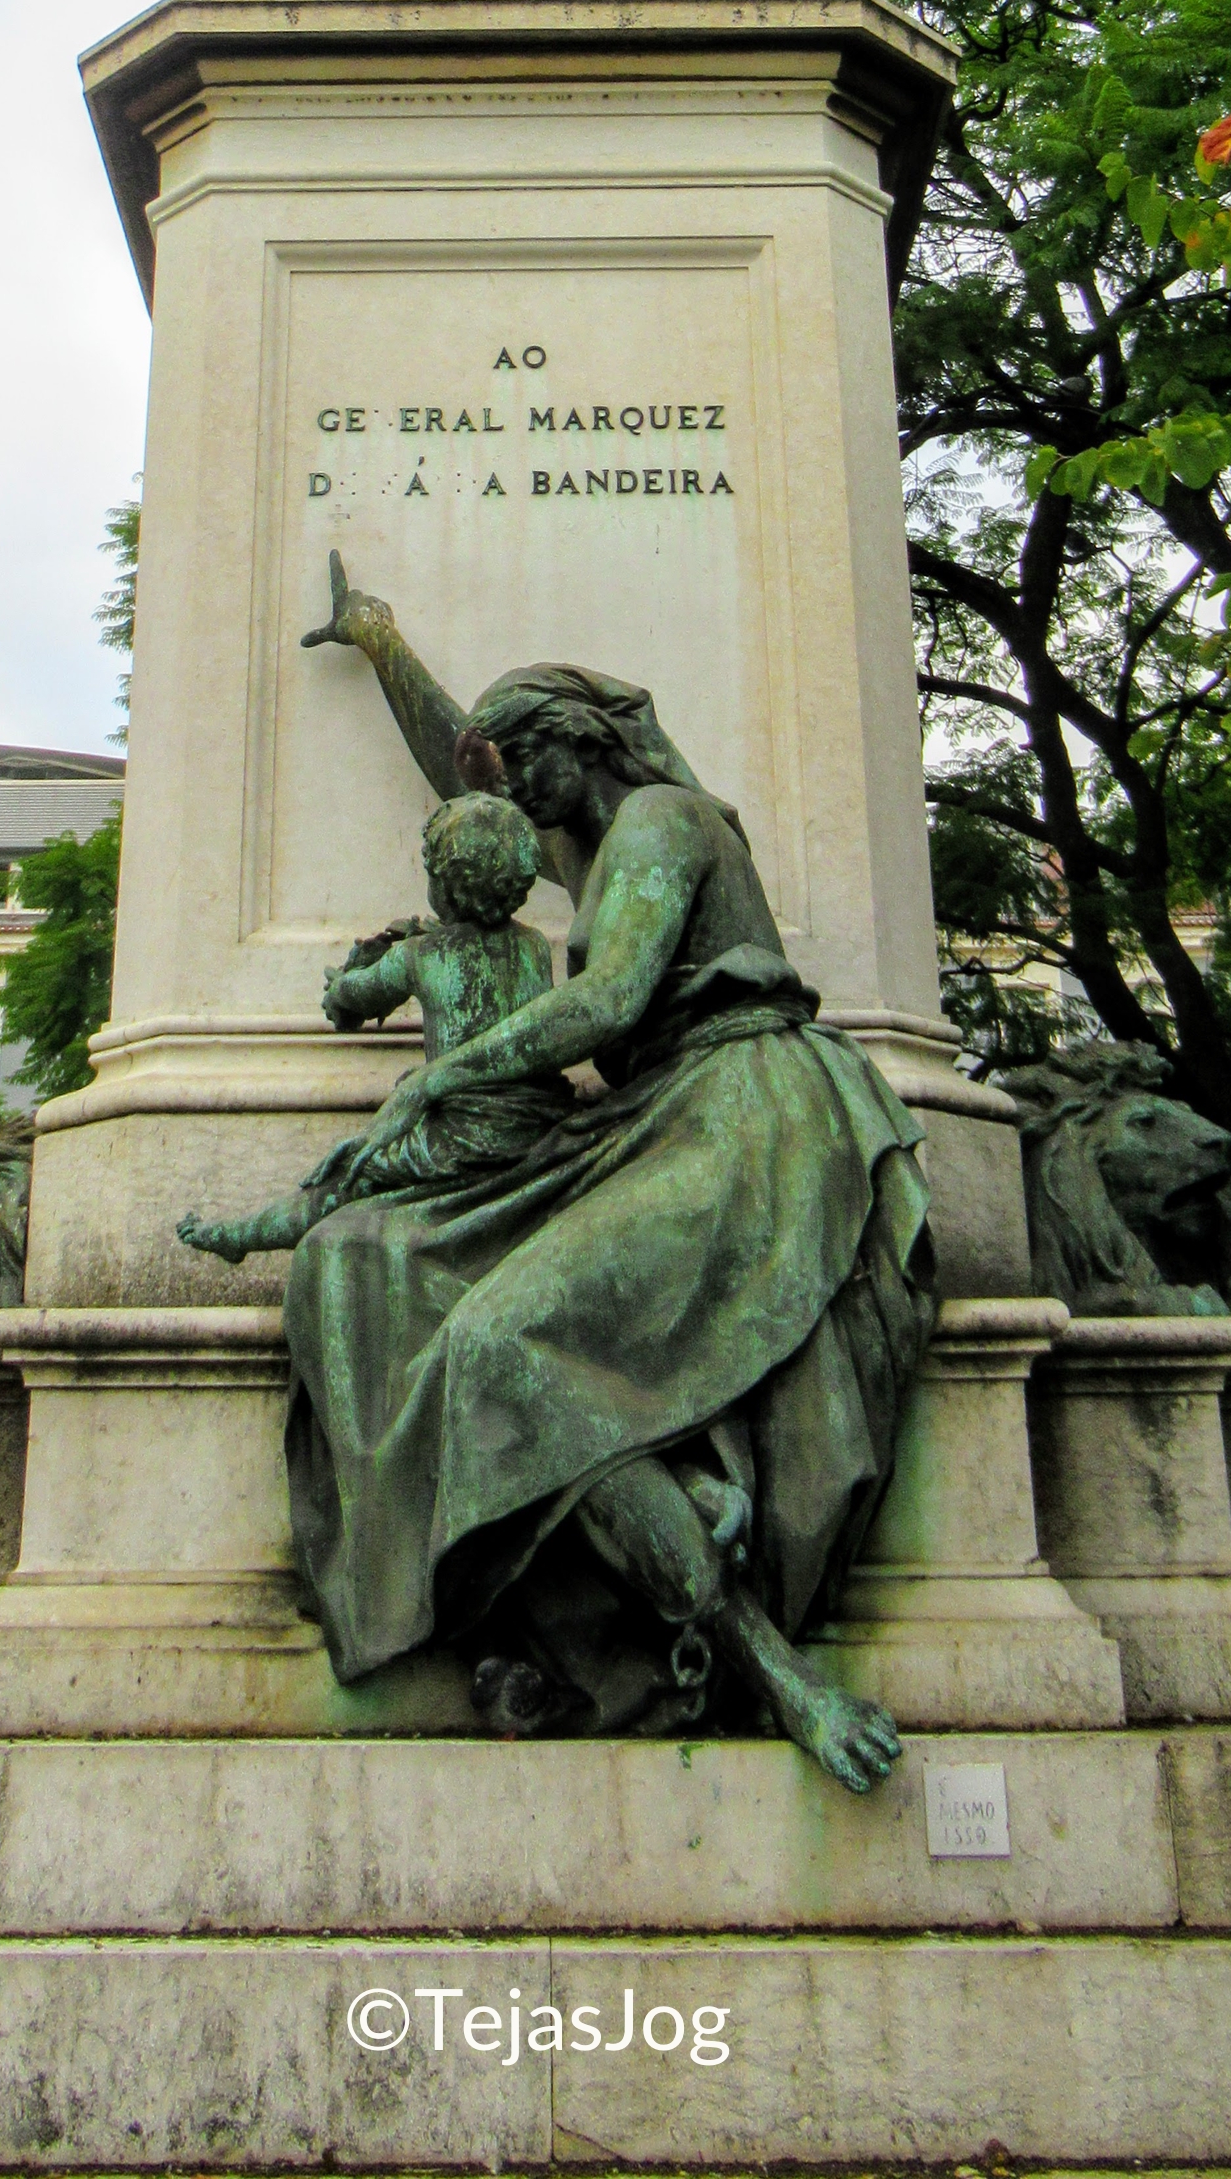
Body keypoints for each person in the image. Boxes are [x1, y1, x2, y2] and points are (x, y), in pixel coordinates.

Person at [282, 551, 933, 1794]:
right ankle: (650, 1519)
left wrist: (439, 1076)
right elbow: (463, 764)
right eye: (506, 779)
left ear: (579, 744)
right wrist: (382, 643)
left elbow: (610, 998)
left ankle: (774, 1673)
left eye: (526, 770)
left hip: (751, 1116)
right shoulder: (599, 840)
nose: (511, 801)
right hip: (656, 1117)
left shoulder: (664, 825)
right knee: (362, 1256)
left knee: (500, 1343)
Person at [179, 793, 567, 1264]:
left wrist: (340, 985)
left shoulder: (420, 956)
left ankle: (241, 1236)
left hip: (462, 1138)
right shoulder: (535, 948)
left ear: (448, 884)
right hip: (539, 1129)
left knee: (342, 1183)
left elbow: (352, 999)